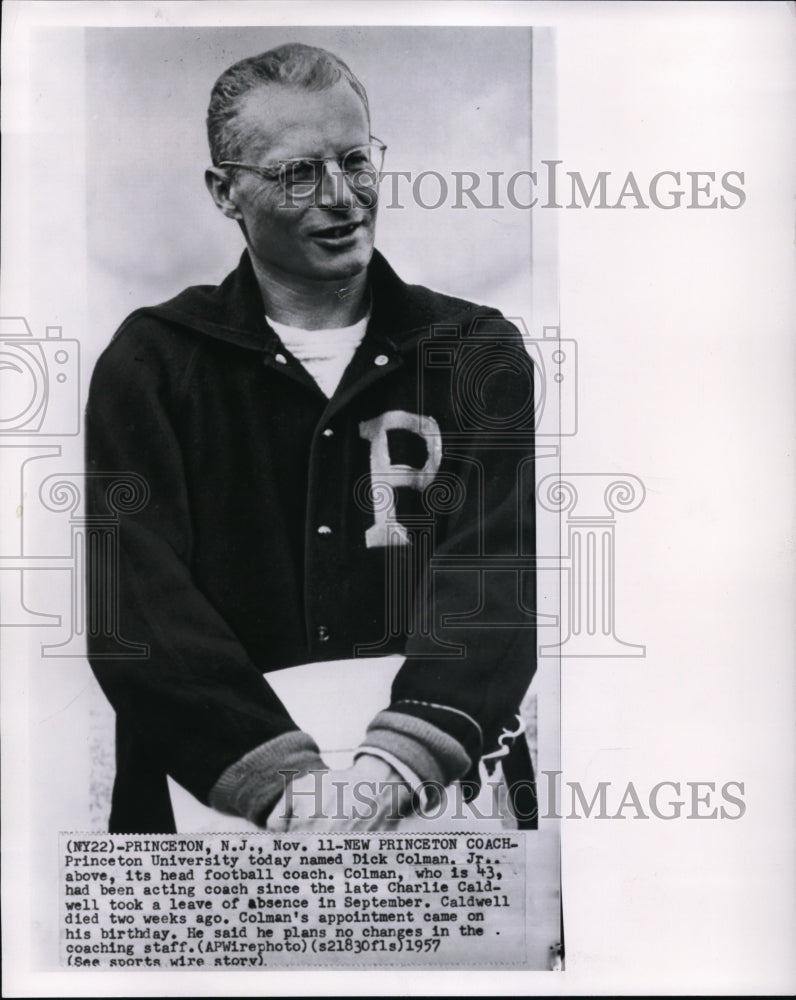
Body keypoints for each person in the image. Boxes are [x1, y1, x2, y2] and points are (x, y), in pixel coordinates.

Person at [86, 42, 537, 834]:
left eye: (356, 160)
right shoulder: (153, 362)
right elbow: (137, 609)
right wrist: (284, 784)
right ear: (225, 192)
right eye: (299, 173)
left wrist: (396, 764)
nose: (343, 196)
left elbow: (499, 579)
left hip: (438, 802)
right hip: (212, 806)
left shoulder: (473, 351)